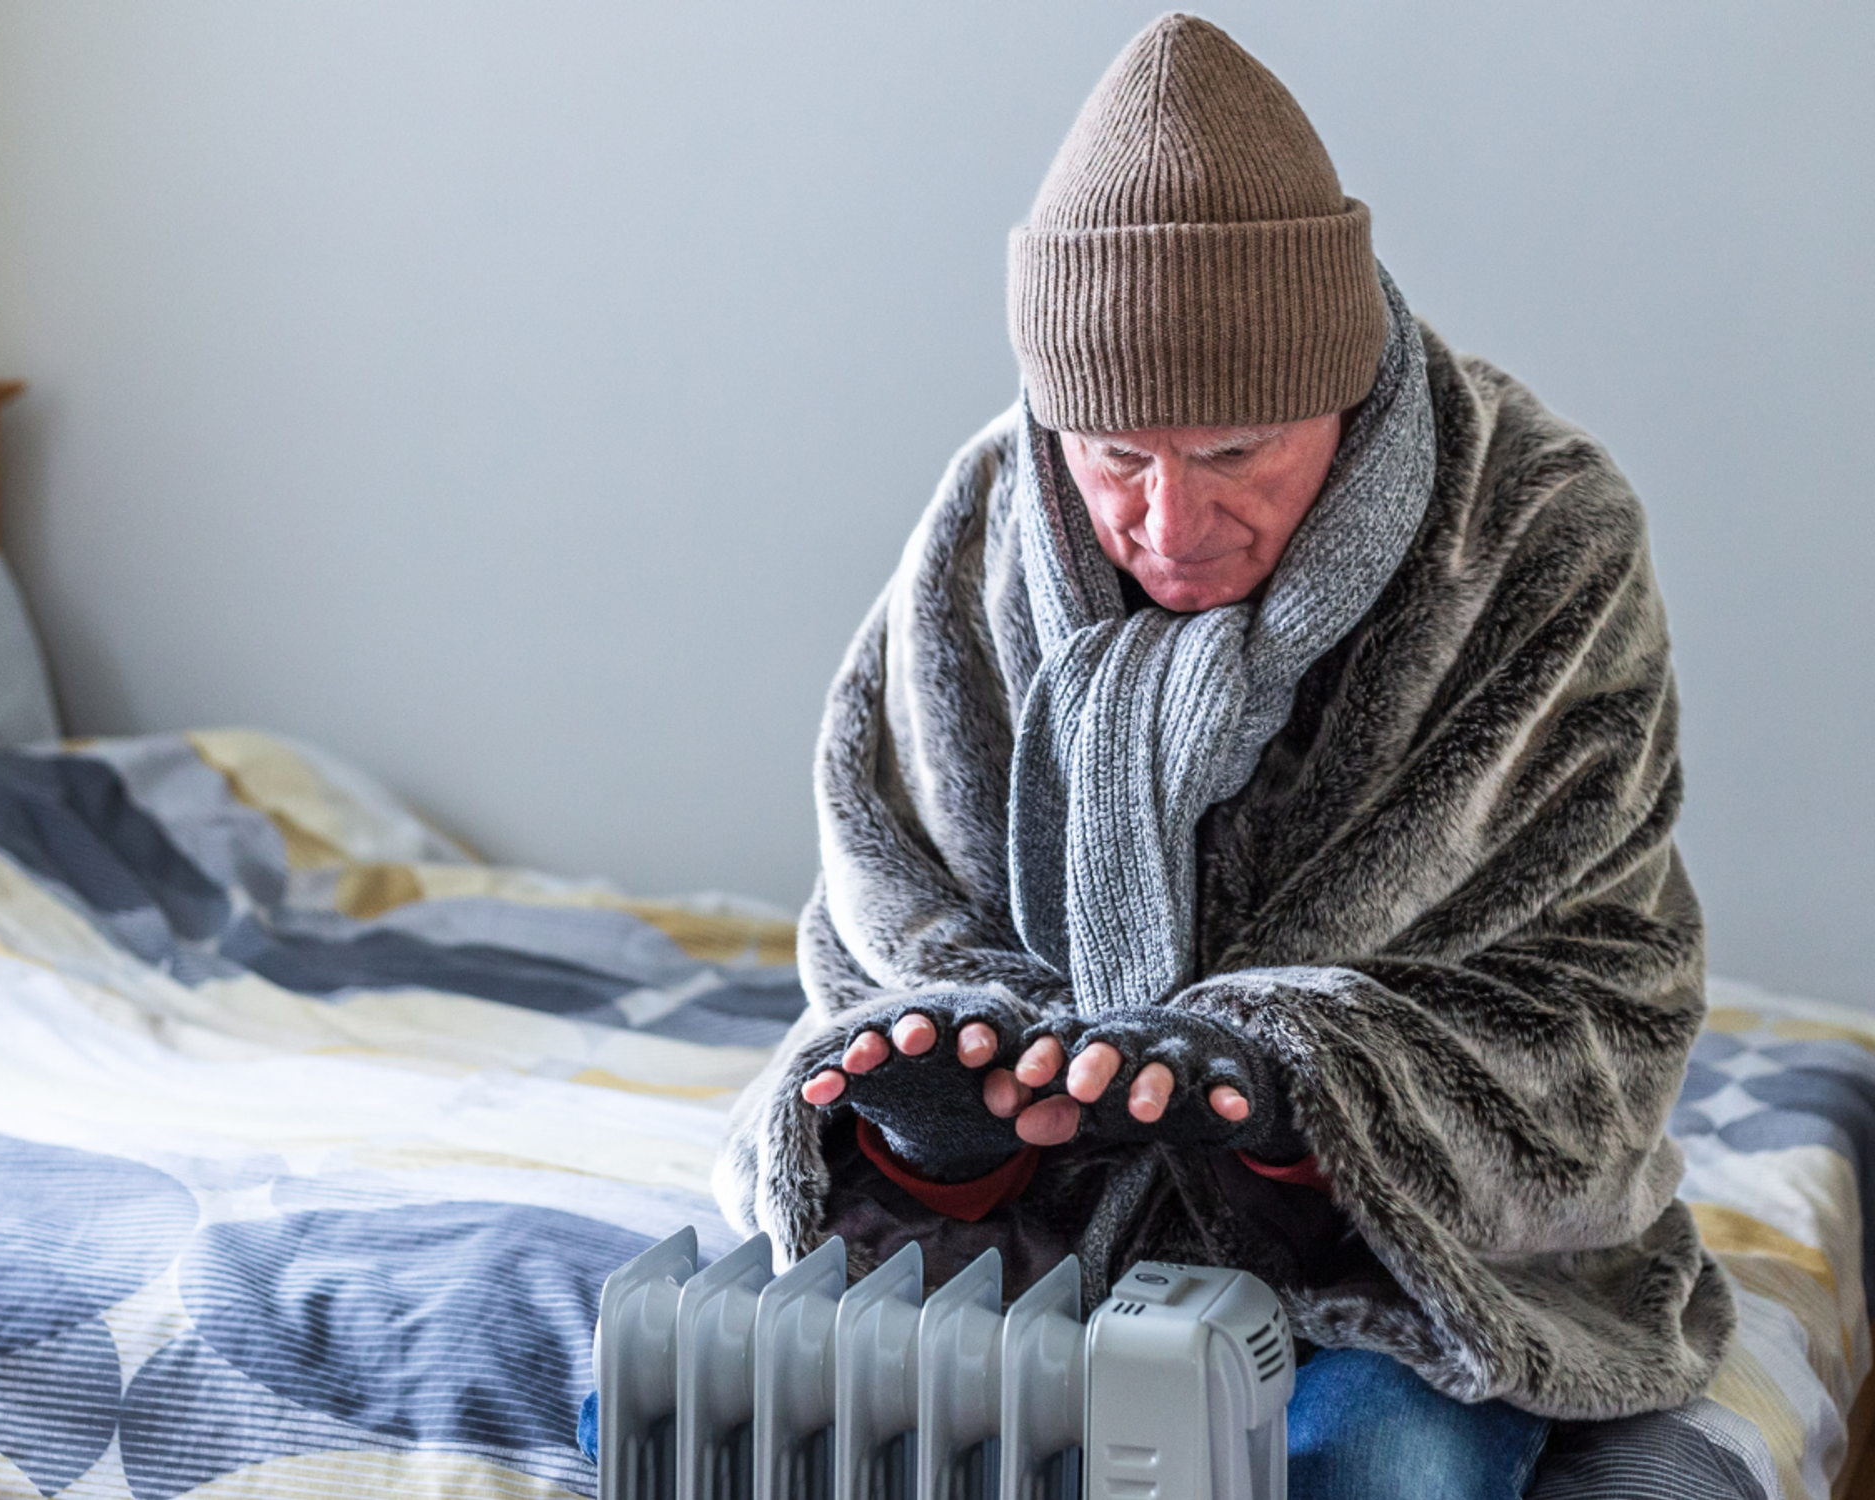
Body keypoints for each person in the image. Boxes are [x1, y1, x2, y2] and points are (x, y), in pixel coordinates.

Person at [713, 13, 1732, 1498]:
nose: (1170, 530)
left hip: (1409, 1270)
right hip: (1035, 1237)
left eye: (1240, 451)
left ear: (1346, 377)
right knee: (700, 1422)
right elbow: (882, 917)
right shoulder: (985, 522)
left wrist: (1291, 1098)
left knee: (1371, 1460)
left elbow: (1595, 1002)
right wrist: (953, 1124)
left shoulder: (1538, 536)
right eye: (1116, 454)